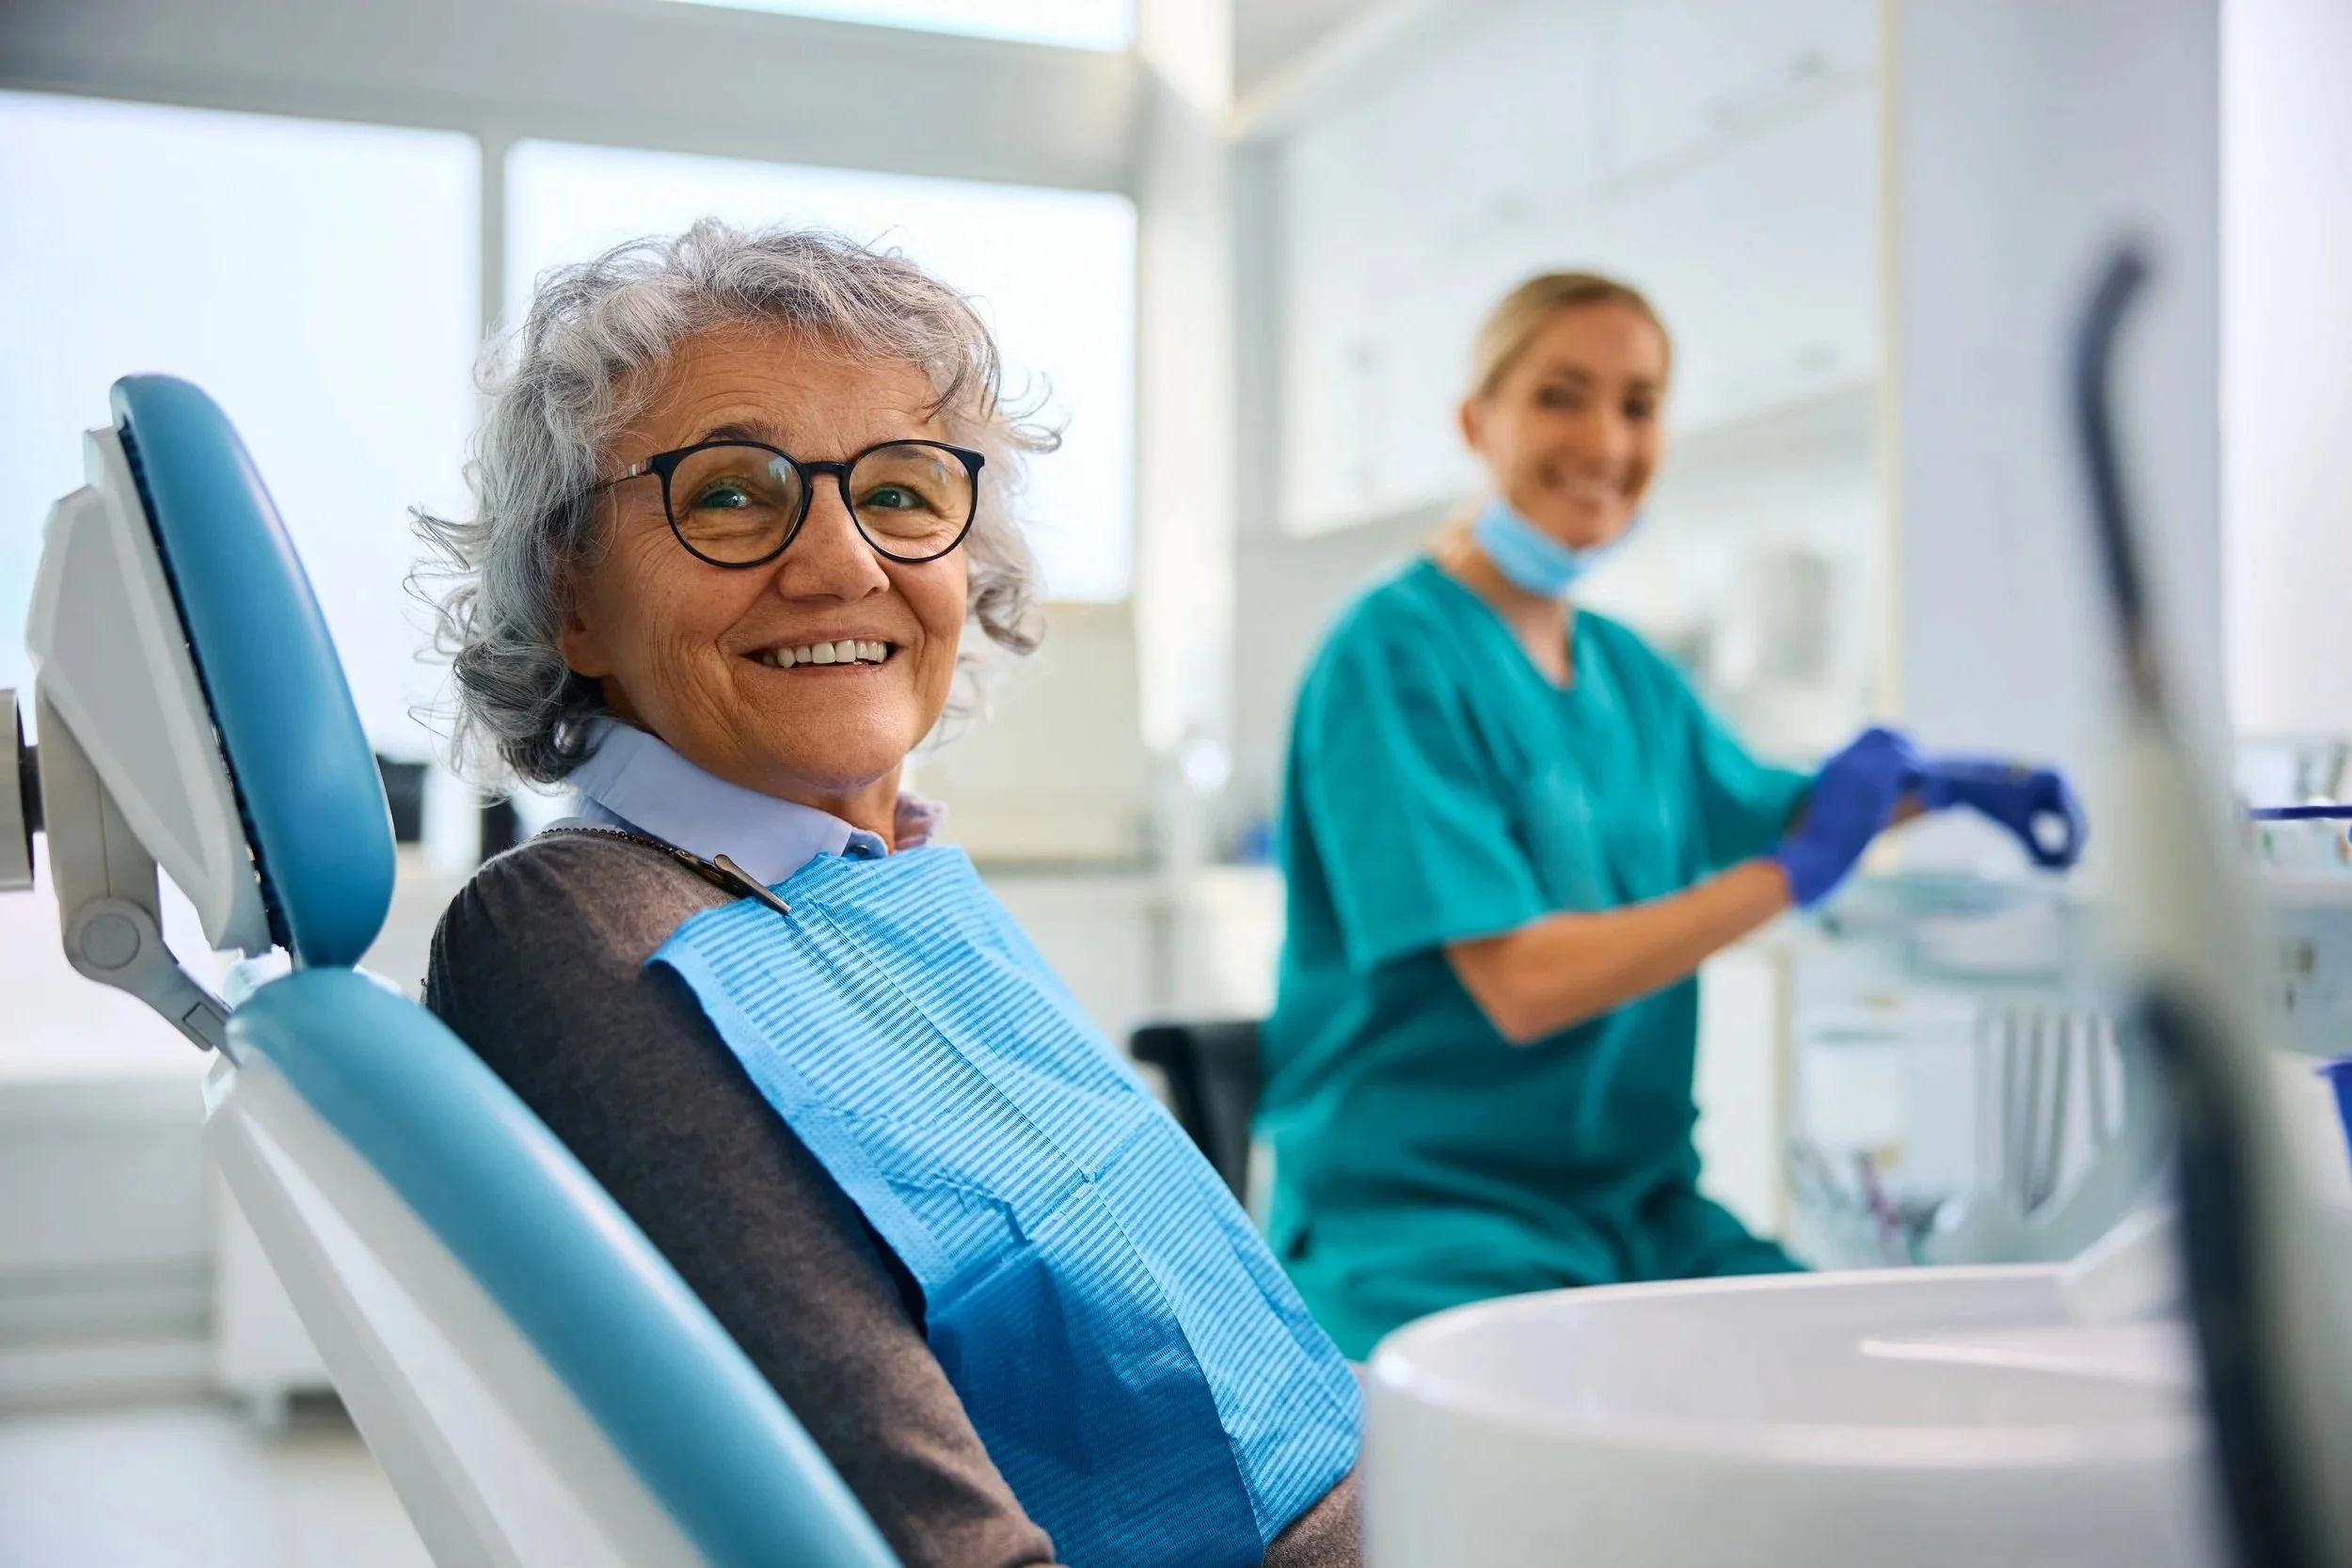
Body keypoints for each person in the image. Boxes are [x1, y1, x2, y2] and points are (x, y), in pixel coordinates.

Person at [417, 221, 1360, 1568]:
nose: (842, 561)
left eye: (906, 491)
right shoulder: (593, 924)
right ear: (572, 593)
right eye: (732, 493)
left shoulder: (881, 883)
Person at [1257, 271, 2084, 1360]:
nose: (1604, 437)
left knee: (1872, 1366)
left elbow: (1774, 809)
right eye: (1560, 394)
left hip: (1639, 1217)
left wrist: (1939, 787)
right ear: (1476, 419)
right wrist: (1790, 877)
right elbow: (1522, 980)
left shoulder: (1628, 672)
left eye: (1639, 403)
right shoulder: (1389, 656)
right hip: (1428, 1227)